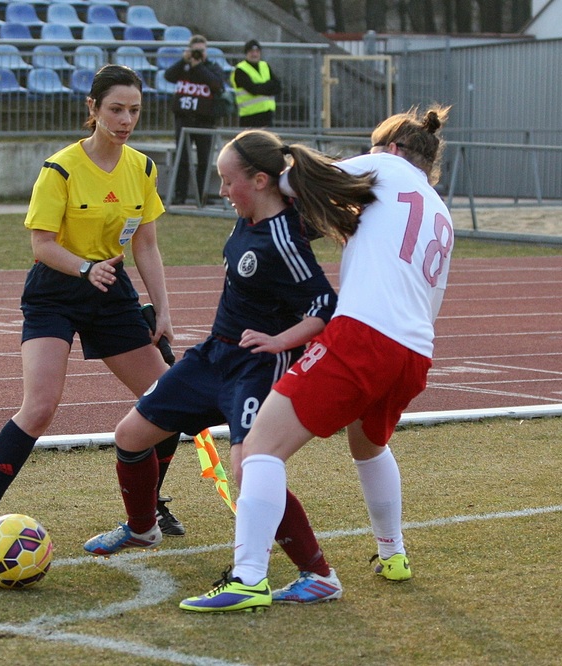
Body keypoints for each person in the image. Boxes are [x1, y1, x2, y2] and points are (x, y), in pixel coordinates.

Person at [180, 105, 455, 612]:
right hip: (415, 351)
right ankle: (392, 553)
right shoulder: (440, 210)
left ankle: (249, 578)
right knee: (368, 446)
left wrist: (280, 181)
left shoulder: (385, 166)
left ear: (392, 150)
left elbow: (291, 183)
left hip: (363, 335)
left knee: (260, 447)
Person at [84, 129, 374, 604]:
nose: (221, 192)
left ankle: (318, 574)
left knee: (249, 469)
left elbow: (325, 305)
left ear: (259, 181)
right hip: (213, 355)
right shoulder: (254, 210)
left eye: (226, 181)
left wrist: (280, 341)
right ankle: (143, 528)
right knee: (130, 436)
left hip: (256, 368)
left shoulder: (283, 237)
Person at [0, 64, 183, 552]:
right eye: (116, 110)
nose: (126, 120)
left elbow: (146, 245)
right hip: (56, 292)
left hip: (112, 293)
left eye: (134, 111)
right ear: (93, 109)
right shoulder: (60, 168)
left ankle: (152, 504)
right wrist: (84, 268)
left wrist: (163, 309)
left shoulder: (142, 167)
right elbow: (41, 245)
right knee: (40, 406)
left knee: (166, 399)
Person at [163, 34, 227, 205]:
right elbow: (168, 76)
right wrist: (183, 61)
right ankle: (180, 195)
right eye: (195, 51)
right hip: (183, 118)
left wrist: (199, 66)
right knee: (182, 158)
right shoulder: (183, 67)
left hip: (205, 120)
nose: (198, 54)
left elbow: (217, 84)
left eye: (201, 51)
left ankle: (202, 196)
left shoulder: (212, 67)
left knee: (204, 159)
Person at [231, 39, 281, 128]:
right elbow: (253, 89)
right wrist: (269, 86)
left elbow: (278, 86)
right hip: (250, 116)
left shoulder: (265, 65)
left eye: (257, 51)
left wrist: (262, 87)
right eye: (251, 51)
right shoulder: (240, 70)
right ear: (246, 53)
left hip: (267, 114)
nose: (254, 54)